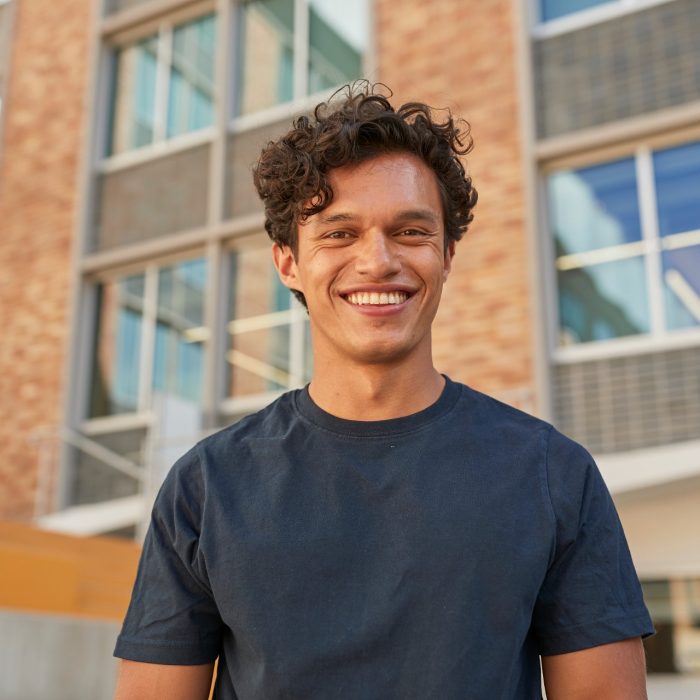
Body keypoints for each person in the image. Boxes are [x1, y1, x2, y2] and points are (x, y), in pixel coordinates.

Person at [113, 83, 653, 699]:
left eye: (410, 231)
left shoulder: (551, 473)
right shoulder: (206, 485)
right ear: (288, 262)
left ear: (447, 252)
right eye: (339, 234)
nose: (378, 261)